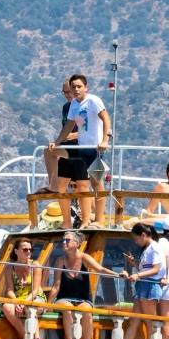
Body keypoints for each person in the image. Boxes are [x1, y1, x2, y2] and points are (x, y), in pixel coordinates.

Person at [49, 230, 117, 339]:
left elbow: (100, 269)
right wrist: (48, 305)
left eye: (67, 240)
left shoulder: (85, 258)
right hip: (64, 298)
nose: (64, 242)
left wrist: (118, 275)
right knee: (68, 309)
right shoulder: (60, 261)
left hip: (84, 299)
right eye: (63, 240)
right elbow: (56, 286)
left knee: (86, 311)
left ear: (77, 244)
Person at [56, 73, 111, 225]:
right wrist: (58, 141)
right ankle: (86, 219)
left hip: (95, 150)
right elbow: (69, 125)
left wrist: (105, 140)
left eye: (79, 86)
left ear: (86, 87)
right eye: (73, 87)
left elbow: (106, 119)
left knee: (97, 183)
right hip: (82, 149)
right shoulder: (74, 104)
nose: (76, 89)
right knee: (83, 185)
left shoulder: (93, 101)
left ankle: (100, 219)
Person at [125, 221, 169, 339]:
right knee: (135, 321)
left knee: (150, 322)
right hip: (142, 285)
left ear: (143, 235)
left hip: (150, 286)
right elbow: (146, 268)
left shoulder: (155, 248)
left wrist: (138, 275)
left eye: (136, 239)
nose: (136, 242)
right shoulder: (147, 249)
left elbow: (156, 269)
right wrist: (134, 263)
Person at [0, 236, 45, 339]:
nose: (28, 252)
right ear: (16, 251)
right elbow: (9, 290)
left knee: (30, 306)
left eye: (30, 250)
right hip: (17, 299)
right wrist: (17, 301)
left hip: (35, 298)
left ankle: (37, 338)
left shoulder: (36, 266)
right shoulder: (9, 267)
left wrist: (23, 303)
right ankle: (26, 338)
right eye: (25, 249)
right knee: (6, 307)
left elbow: (35, 290)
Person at [41, 77, 74, 206]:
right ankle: (53, 186)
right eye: (64, 92)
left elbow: (90, 131)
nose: (66, 95)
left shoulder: (85, 106)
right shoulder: (66, 107)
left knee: (81, 186)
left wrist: (73, 135)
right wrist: (56, 142)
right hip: (69, 146)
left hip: (83, 146)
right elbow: (65, 129)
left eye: (68, 92)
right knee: (48, 151)